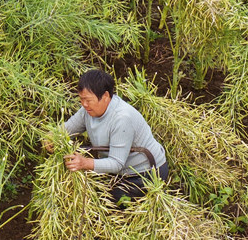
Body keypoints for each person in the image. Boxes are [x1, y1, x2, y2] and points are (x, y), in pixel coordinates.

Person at [59, 69, 168, 205]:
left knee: (109, 203)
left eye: (88, 100)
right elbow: (67, 129)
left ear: (105, 96)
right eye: (81, 99)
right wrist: (54, 137)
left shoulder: (121, 118)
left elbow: (116, 163)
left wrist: (85, 163)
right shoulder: (87, 111)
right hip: (119, 171)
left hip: (144, 174)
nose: (84, 104)